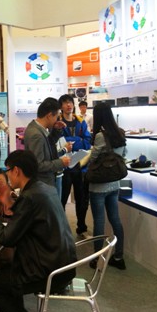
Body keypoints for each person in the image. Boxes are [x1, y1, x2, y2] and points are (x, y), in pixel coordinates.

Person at [0, 150, 77, 312]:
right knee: (9, 273)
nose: (7, 176)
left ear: (16, 170)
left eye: (8, 171)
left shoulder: (29, 197)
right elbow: (23, 222)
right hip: (64, 264)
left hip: (48, 271)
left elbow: (7, 238)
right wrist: (7, 202)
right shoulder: (45, 189)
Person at [87, 102, 127, 270]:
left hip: (99, 185)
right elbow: (124, 154)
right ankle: (119, 256)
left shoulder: (100, 136)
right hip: (114, 184)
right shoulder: (120, 132)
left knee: (99, 221)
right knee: (115, 219)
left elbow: (93, 158)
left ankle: (97, 258)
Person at [57, 94, 92, 238]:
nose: (68, 105)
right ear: (61, 106)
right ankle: (61, 230)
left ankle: (81, 227)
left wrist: (73, 142)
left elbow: (87, 141)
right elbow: (58, 142)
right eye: (65, 103)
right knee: (62, 199)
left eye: (70, 102)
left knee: (81, 198)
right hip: (63, 166)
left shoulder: (80, 121)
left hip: (79, 165)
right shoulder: (57, 122)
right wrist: (78, 140)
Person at [23, 97, 72, 196]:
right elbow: (38, 165)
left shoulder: (38, 128)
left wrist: (56, 130)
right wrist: (60, 163)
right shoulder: (36, 134)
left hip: (45, 184)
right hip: (43, 184)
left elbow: (48, 146)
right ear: (49, 116)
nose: (56, 120)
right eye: (56, 117)